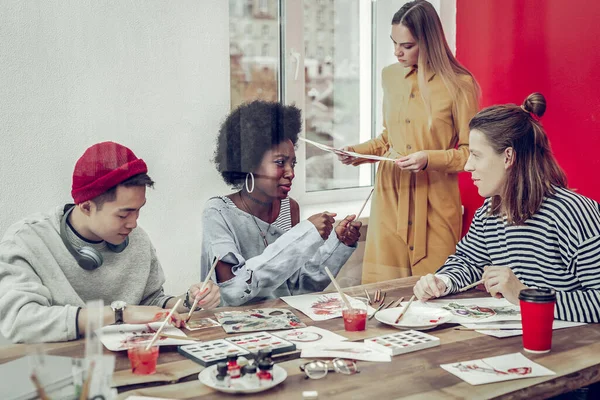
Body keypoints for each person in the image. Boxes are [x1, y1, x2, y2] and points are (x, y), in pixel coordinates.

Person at [0, 142, 221, 343]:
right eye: (124, 214)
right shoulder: (26, 240)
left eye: (138, 210)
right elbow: (19, 321)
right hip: (57, 369)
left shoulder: (137, 239)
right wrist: (119, 314)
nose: (134, 223)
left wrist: (189, 300)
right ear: (85, 207)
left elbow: (152, 301)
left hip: (128, 363)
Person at [413, 93, 600, 323]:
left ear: (508, 156)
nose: (468, 166)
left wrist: (525, 295)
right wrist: (443, 280)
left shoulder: (573, 214)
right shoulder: (490, 212)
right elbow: (468, 261)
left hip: (574, 352)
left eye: (476, 155)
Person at [338, 0, 480, 283]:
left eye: (407, 45)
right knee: (382, 293)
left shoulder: (460, 84)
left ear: (428, 42)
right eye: (394, 43)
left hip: (436, 199)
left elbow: (471, 153)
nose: (397, 52)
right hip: (391, 194)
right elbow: (388, 139)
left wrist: (430, 158)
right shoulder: (390, 77)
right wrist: (356, 153)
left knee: (436, 292)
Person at [202, 100, 361, 307]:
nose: (291, 173)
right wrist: (304, 235)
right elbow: (234, 290)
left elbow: (297, 287)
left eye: (292, 163)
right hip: (234, 328)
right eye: (280, 163)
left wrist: (338, 243)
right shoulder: (219, 213)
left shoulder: (289, 208)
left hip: (283, 322)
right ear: (249, 163)